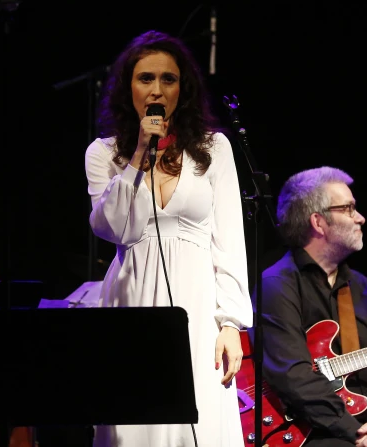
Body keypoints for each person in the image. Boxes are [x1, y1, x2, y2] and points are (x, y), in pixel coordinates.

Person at [85, 30, 253, 446]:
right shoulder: (103, 153)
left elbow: (230, 239)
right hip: (131, 303)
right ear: (128, 87)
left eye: (168, 79)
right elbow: (116, 228)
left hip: (197, 307)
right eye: (145, 78)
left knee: (200, 423)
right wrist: (141, 153)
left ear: (184, 88)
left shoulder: (214, 148)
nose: (157, 89)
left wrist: (230, 324)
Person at [256, 167, 367, 447]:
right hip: (316, 432)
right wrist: (356, 433)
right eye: (348, 209)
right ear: (318, 221)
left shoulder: (364, 288)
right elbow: (294, 377)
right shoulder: (277, 284)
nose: (360, 218)